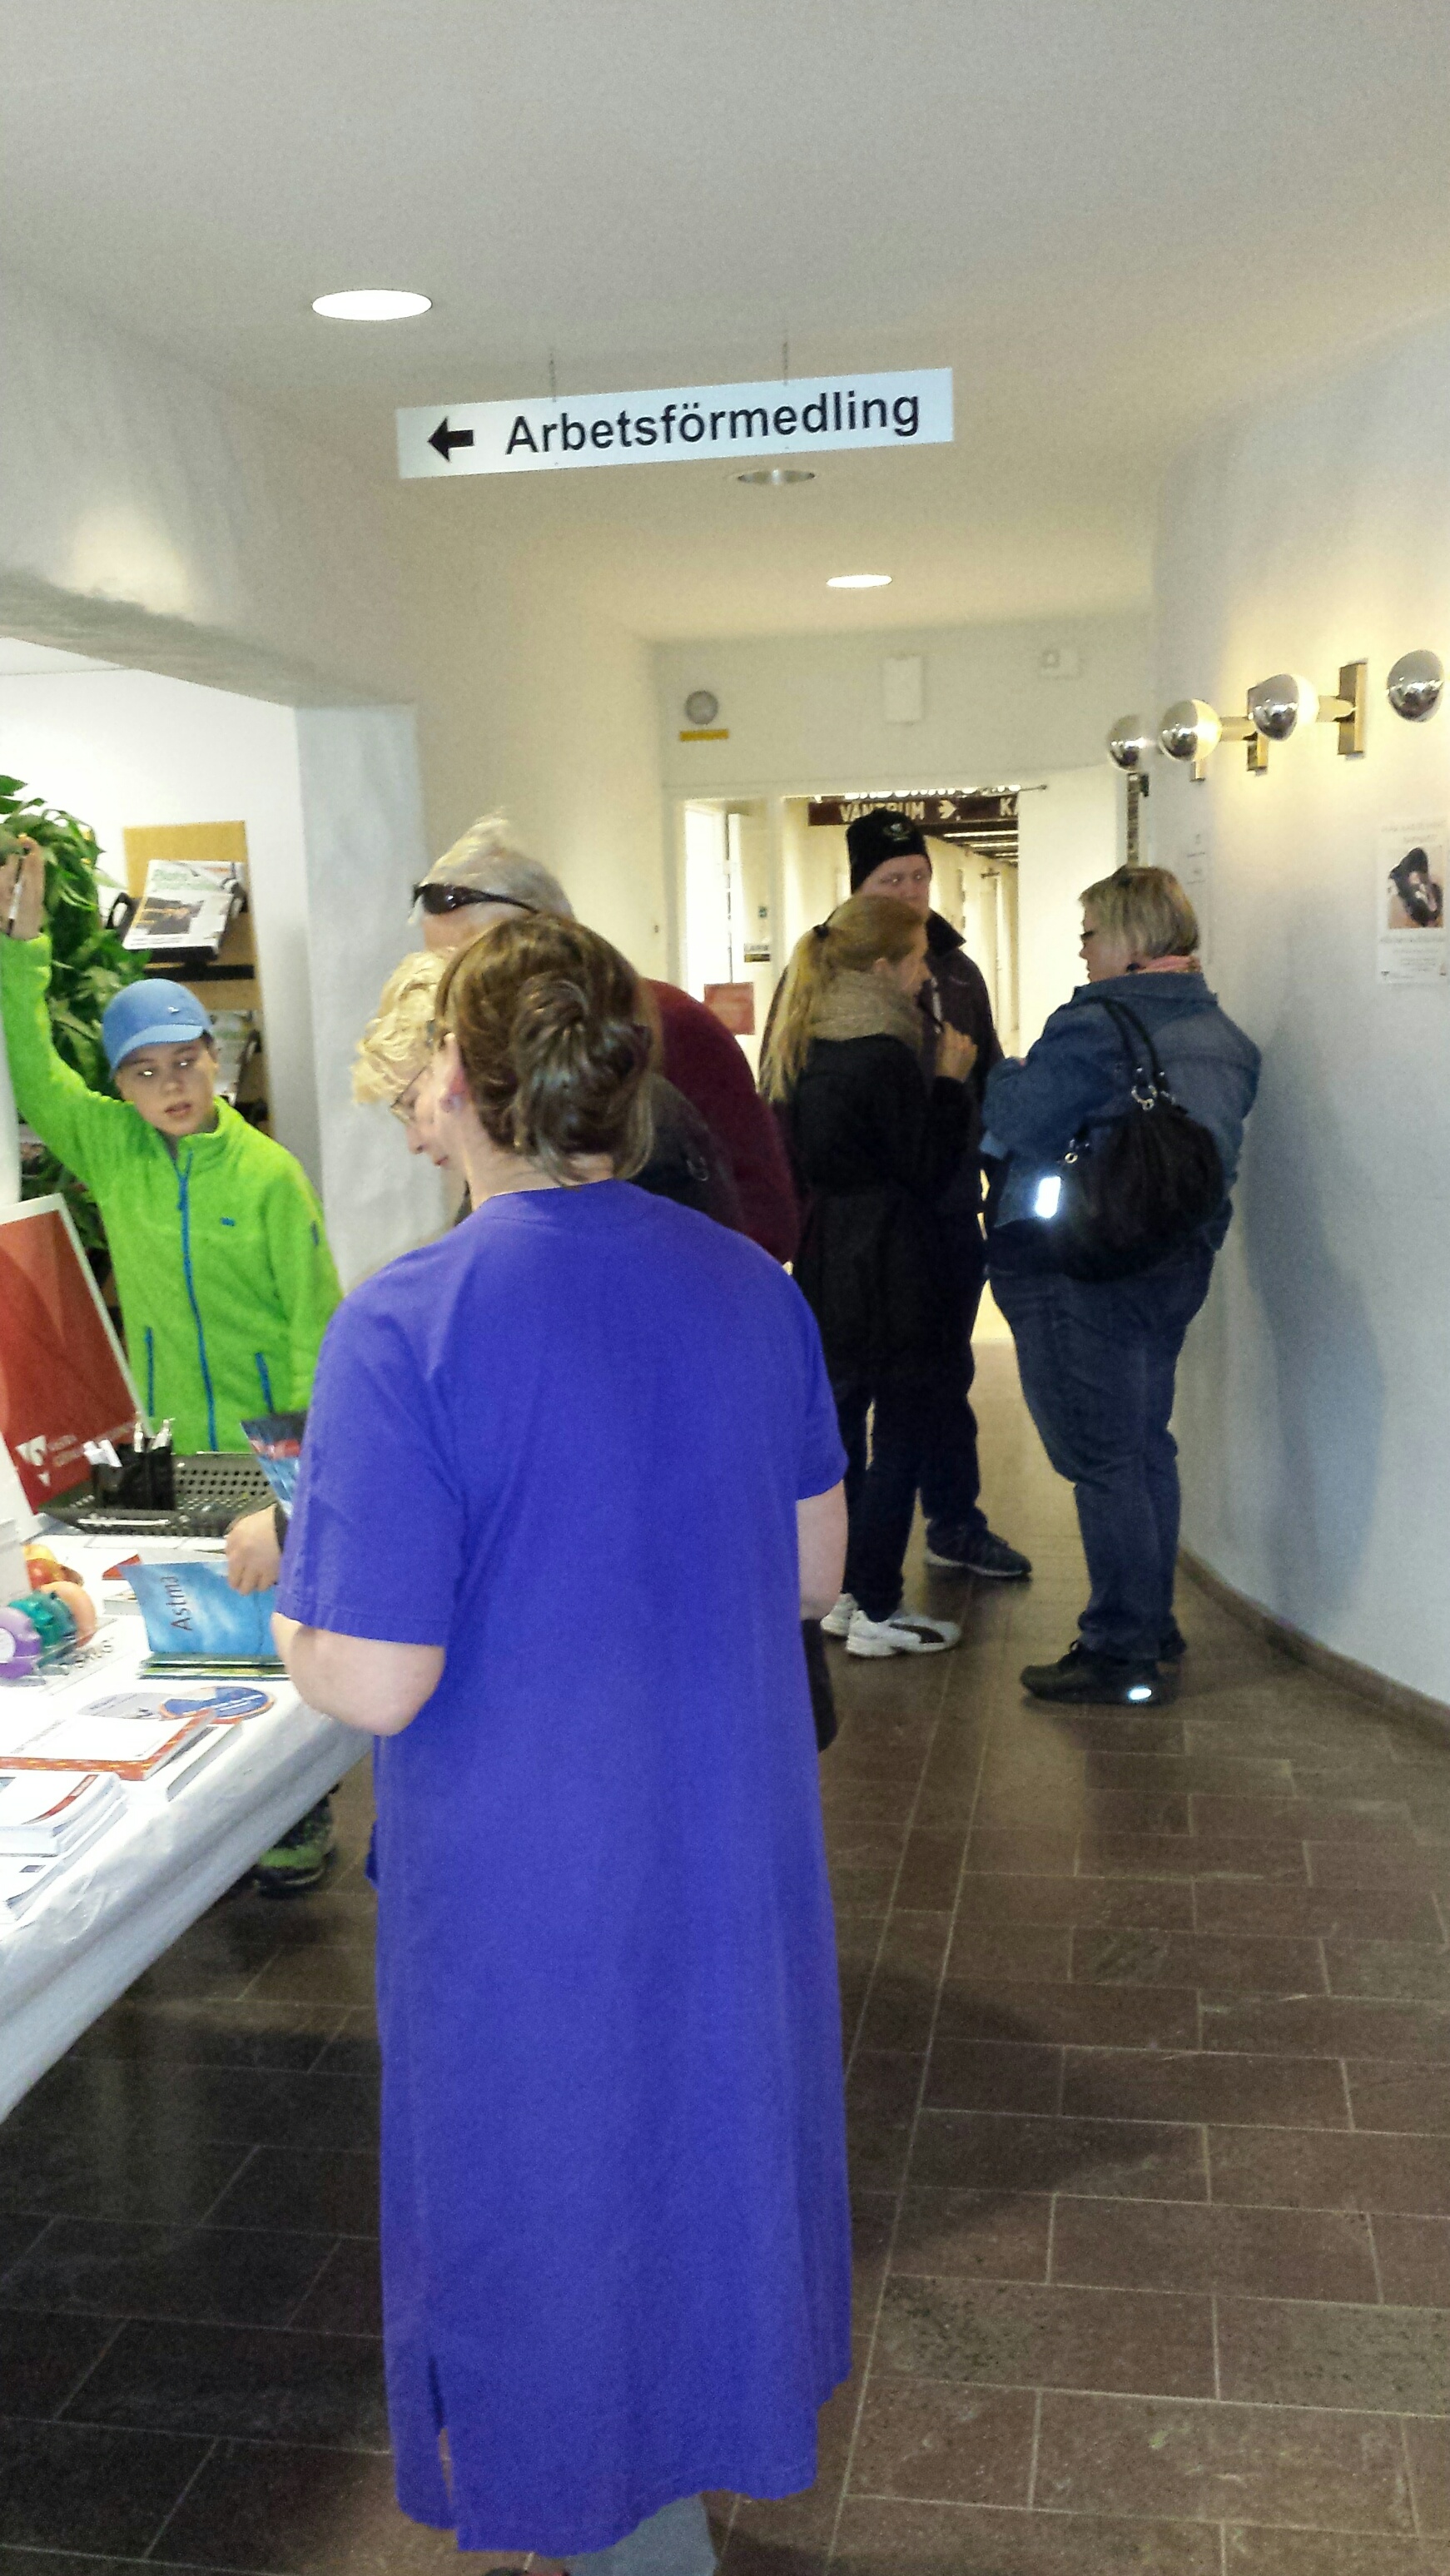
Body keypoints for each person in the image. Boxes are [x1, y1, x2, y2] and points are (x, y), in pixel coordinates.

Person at [272, 913, 852, 2569]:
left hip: (527, 1869)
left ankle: (605, 2526)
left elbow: (376, 1678)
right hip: (721, 1841)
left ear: (459, 1082)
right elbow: (813, 1571)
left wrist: (294, 1613)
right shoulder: (747, 1287)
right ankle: (656, 2504)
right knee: (696, 2172)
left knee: (550, 2213)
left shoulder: (406, 1324)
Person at [982, 865, 1260, 1706]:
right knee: (1141, 1443)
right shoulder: (1222, 1034)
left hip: (1083, 1263)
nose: (1082, 950)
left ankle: (1120, 1648)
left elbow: (1015, 1119)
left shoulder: (1093, 1025)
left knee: (1101, 1455)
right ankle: (1150, 1622)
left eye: (1091, 933)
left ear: (1132, 941)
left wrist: (998, 1070)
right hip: (1174, 1262)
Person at [0, 838, 340, 1454]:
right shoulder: (112, 1149)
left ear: (215, 1057)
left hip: (269, 1450)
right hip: (173, 1445)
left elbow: (315, 1320)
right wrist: (21, 948)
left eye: (185, 1060)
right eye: (146, 1071)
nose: (171, 1085)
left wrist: (301, 1447)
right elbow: (37, 1078)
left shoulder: (271, 1174)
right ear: (122, 1086)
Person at [414, 814, 800, 1257]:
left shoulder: (671, 1025)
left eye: (472, 961)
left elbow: (767, 1214)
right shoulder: (489, 1066)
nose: (453, 989)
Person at [762, 894, 980, 1659]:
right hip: (893, 1256)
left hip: (830, 1252)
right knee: (905, 1428)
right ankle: (878, 1601)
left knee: (845, 1430)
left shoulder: (809, 1040)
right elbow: (925, 1167)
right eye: (917, 960)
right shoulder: (885, 1051)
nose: (926, 976)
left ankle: (845, 1592)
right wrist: (949, 1082)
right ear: (882, 967)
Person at [836, 805, 1030, 1581]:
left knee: (946, 1376)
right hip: (861, 1223)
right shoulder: (825, 969)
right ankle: (850, 1555)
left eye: (919, 875)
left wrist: (997, 1174)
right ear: (860, 887)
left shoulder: (956, 970)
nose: (911, 891)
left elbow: (987, 1075)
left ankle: (954, 1520)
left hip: (945, 1210)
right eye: (892, 879)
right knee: (851, 1391)